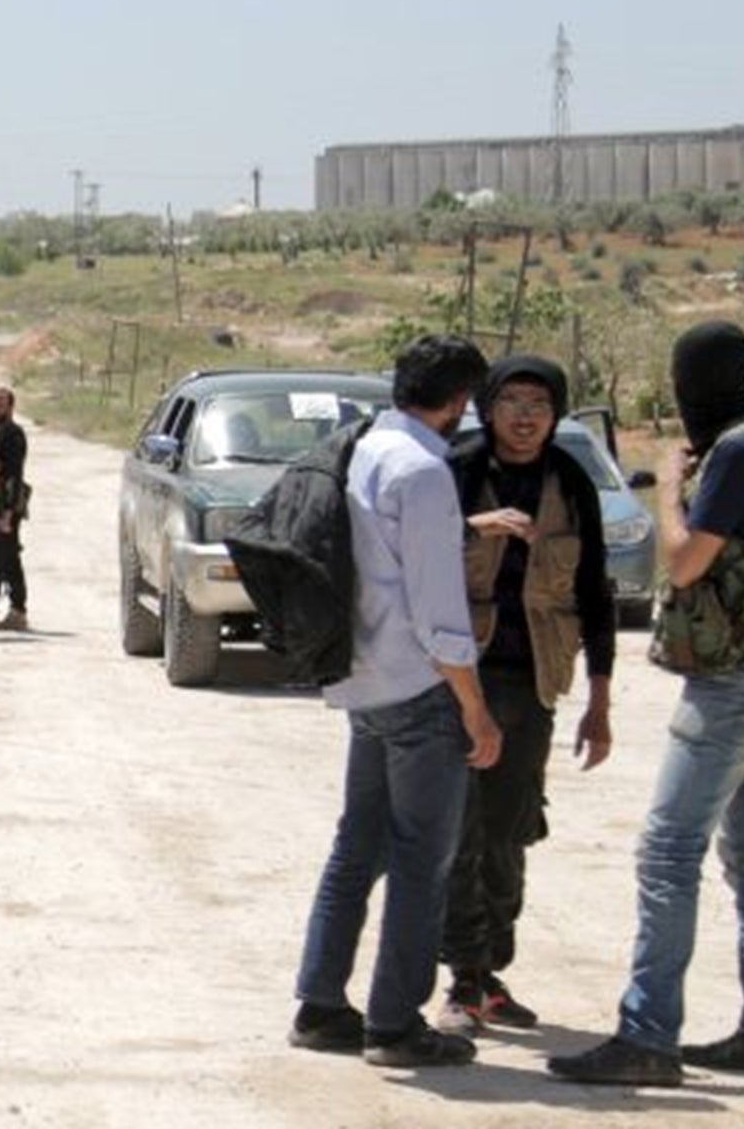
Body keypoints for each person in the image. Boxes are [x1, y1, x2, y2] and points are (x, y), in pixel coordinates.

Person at [550, 322, 744, 1087]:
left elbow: (682, 556)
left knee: (669, 850)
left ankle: (648, 1035)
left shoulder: (734, 453)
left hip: (737, 677)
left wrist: (668, 486)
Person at [290, 334, 499, 1070]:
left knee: (358, 845)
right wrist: (474, 707)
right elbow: (440, 611)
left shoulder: (367, 447)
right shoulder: (424, 471)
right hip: (418, 688)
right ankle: (395, 1024)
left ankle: (320, 1005)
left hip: (363, 681)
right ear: (459, 401)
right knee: (420, 861)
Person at [439, 355, 615, 1034]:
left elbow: (596, 596)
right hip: (459, 680)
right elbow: (408, 555)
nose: (523, 415)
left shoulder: (571, 481)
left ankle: (488, 972)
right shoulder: (458, 470)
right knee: (459, 830)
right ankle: (461, 978)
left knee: (511, 831)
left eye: (538, 403)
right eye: (510, 400)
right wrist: (476, 527)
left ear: (557, 412)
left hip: (534, 684)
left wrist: (600, 704)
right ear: (487, 406)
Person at [0, 387, 30, 630]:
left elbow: (14, 475)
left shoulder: (12, 434)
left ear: (11, 407)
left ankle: (18, 610)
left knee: (8, 557)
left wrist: (9, 511)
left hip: (5, 507)